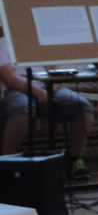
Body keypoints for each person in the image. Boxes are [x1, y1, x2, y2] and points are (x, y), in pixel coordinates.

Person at [0, 28, 92, 179]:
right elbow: (9, 79)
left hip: (47, 87)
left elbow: (54, 73)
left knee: (81, 106)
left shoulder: (38, 42)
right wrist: (37, 93)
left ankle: (75, 159)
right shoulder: (2, 44)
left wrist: (49, 91)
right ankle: (6, 163)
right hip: (18, 90)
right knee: (22, 109)